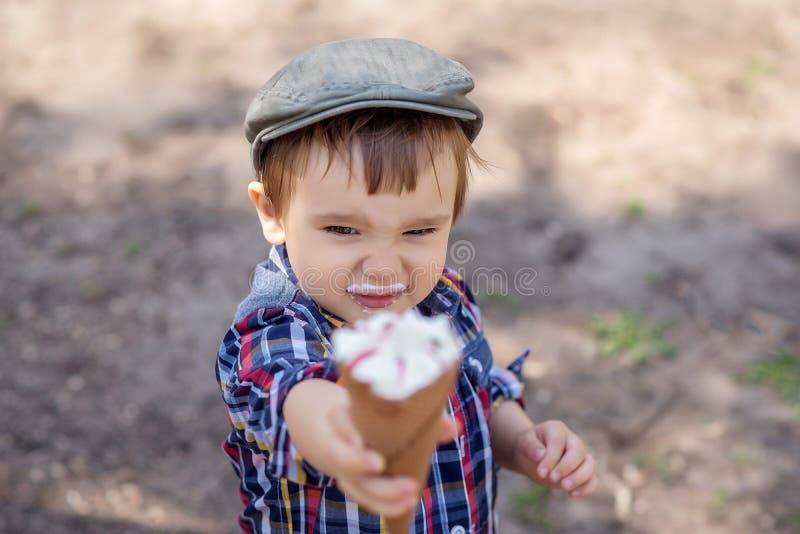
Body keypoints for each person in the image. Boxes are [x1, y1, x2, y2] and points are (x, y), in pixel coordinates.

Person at [216, 38, 598, 533]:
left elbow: (477, 394)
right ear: (273, 213)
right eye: (342, 230)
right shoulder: (275, 328)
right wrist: (342, 431)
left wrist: (523, 443)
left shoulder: (444, 298)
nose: (382, 268)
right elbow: (295, 396)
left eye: (418, 232)